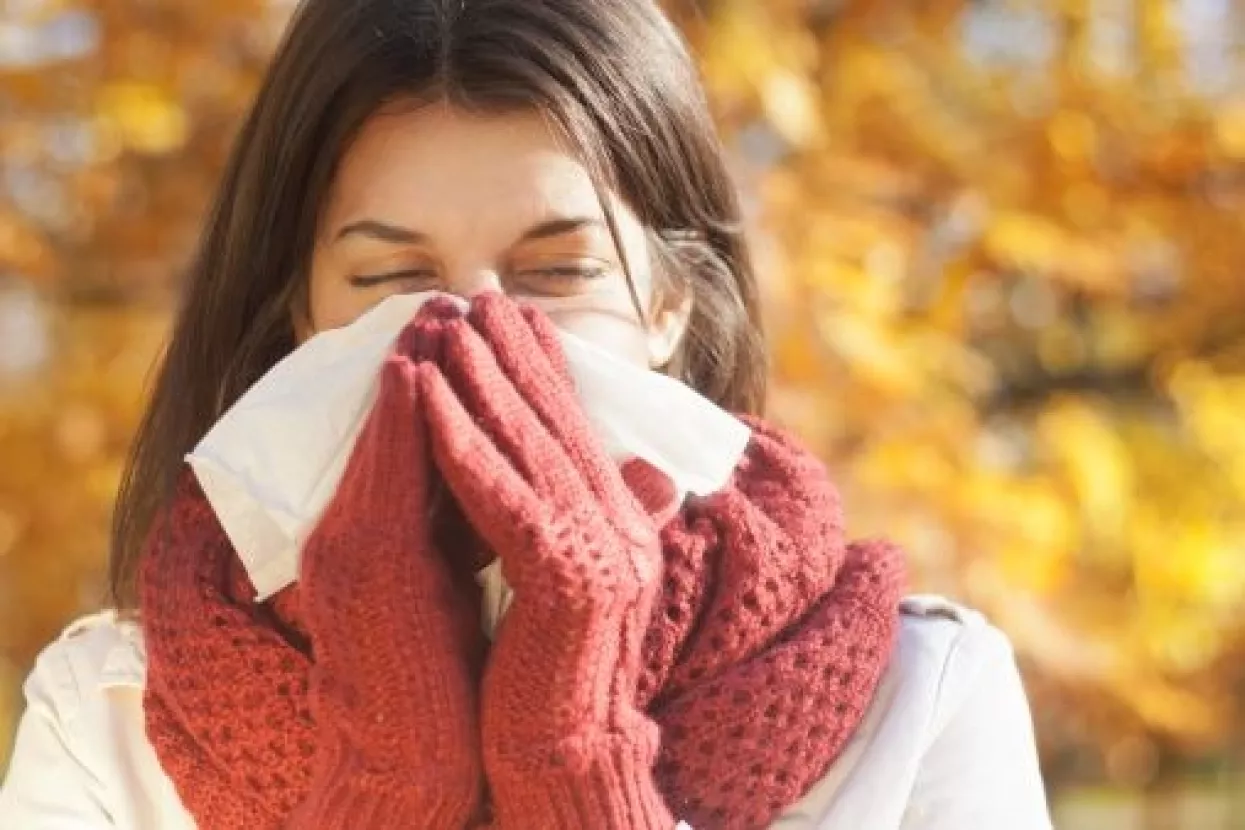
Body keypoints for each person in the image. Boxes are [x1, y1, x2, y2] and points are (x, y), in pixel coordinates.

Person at [0, 0, 1053, 828]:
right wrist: (385, 785)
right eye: (393, 277)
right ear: (301, 317)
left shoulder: (920, 701)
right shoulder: (109, 709)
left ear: (672, 301)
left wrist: (576, 763)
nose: (477, 335)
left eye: (557, 271)